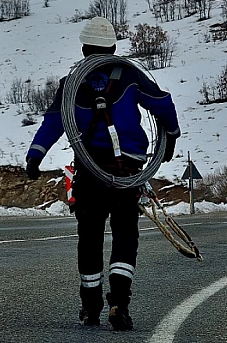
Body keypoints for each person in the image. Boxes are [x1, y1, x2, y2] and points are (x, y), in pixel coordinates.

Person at [25, 17, 180, 332]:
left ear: (84, 48)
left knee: (90, 237)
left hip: (90, 170)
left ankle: (90, 307)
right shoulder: (130, 76)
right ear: (113, 47)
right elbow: (162, 103)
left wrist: (35, 155)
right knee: (125, 234)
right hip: (127, 169)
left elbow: (53, 122)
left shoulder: (72, 83)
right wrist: (172, 135)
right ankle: (119, 303)